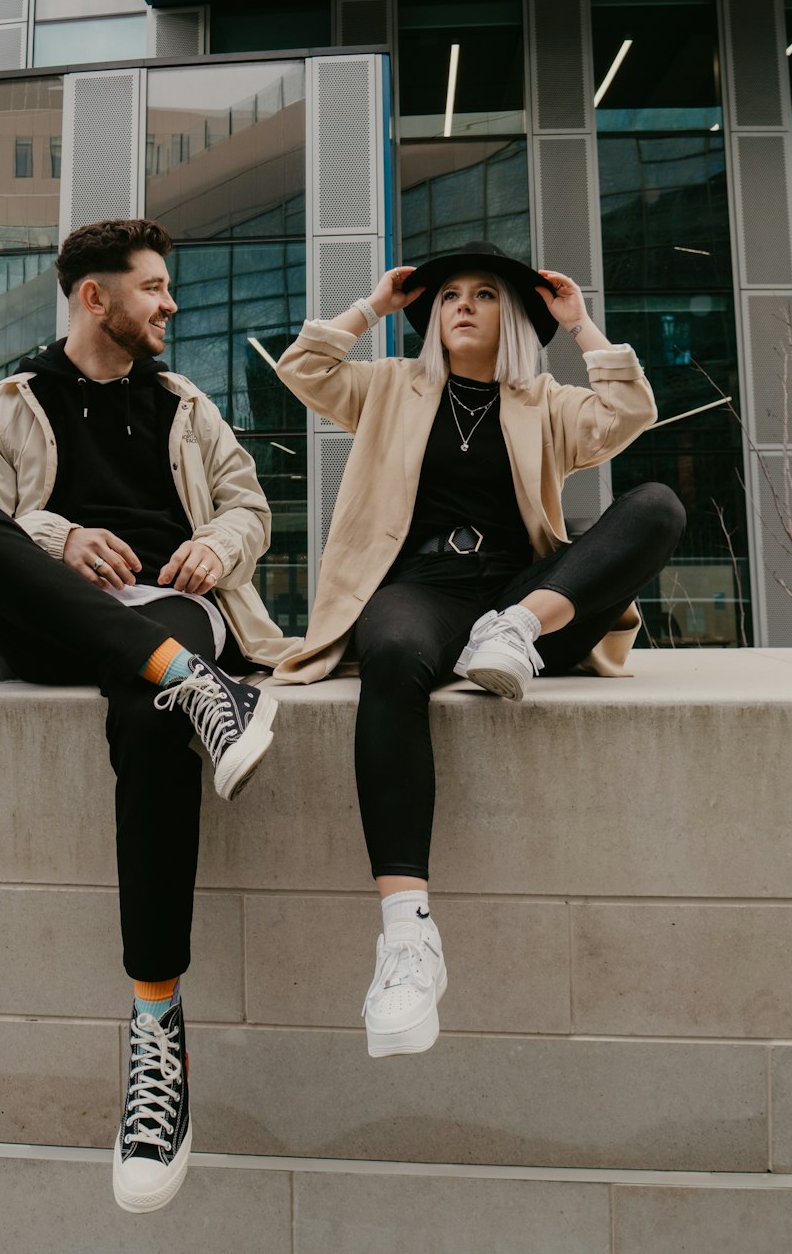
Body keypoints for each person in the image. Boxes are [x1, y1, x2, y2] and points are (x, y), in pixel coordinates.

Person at [0, 218, 296, 1215]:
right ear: (95, 298)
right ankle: (191, 683)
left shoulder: (187, 404)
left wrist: (220, 545)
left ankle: (156, 1029)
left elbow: (251, 505)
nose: (170, 305)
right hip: (42, 627)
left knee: (154, 705)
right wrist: (59, 535)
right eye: (154, 288)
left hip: (172, 608)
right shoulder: (11, 404)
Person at [273, 240, 684, 1060]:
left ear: (515, 317)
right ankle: (406, 936)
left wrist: (582, 326)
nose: (461, 303)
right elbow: (305, 372)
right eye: (449, 294)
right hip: (421, 588)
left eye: (485, 295)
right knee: (389, 659)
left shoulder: (545, 399)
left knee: (658, 506)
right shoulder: (393, 388)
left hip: (523, 594)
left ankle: (520, 628)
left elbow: (630, 416)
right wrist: (374, 309)